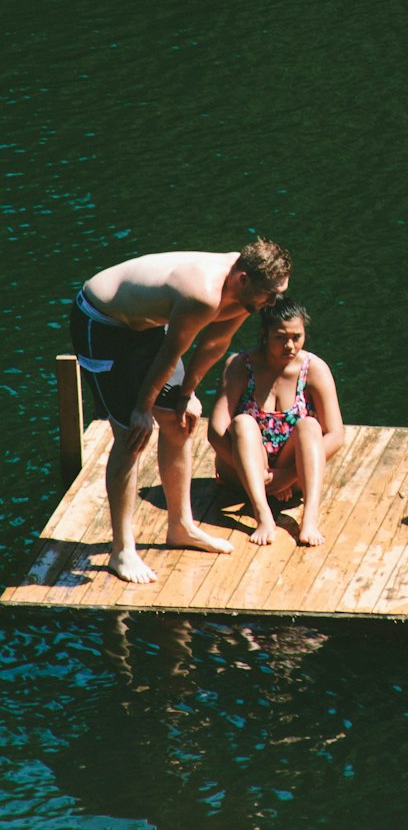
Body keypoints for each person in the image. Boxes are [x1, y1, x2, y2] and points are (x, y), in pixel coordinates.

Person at [68, 240, 292, 584]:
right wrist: (142, 408)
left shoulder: (244, 290)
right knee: (132, 433)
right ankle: (121, 551)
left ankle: (181, 525)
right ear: (244, 279)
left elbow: (215, 343)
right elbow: (173, 351)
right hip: (102, 322)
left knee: (180, 421)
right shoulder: (202, 293)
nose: (273, 303)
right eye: (270, 295)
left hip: (146, 325)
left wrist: (187, 393)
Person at [209, 298, 344, 547]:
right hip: (243, 469)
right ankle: (262, 514)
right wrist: (258, 474)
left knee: (310, 426)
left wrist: (287, 475)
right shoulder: (240, 365)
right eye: (280, 337)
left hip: (293, 472)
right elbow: (216, 431)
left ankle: (310, 519)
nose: (289, 346)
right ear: (265, 334)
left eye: (296, 337)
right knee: (242, 423)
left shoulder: (314, 369)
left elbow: (336, 434)